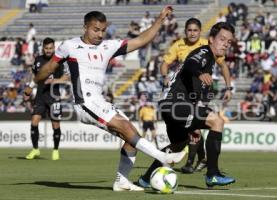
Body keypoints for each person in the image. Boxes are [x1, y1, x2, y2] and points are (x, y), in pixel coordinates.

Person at [33, 8, 186, 192]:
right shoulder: (70, 46)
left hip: (100, 102)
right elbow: (48, 68)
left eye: (103, 30)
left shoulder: (108, 46)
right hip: (85, 103)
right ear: (85, 27)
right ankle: (163, 157)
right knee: (127, 129)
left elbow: (141, 40)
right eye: (95, 29)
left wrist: (160, 20)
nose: (100, 34)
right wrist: (33, 82)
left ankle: (121, 182)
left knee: (131, 137)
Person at [138, 22, 236, 188]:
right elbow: (191, 64)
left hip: (170, 105)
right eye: (222, 39)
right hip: (175, 103)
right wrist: (200, 72)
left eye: (229, 41)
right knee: (217, 122)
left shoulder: (210, 58)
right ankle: (212, 174)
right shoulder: (204, 52)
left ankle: (146, 179)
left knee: (177, 146)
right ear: (211, 39)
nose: (226, 43)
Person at [160, 17, 228, 174]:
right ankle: (204, 162)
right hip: (181, 94)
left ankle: (195, 162)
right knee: (184, 138)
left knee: (203, 125)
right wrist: (164, 76)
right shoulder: (180, 45)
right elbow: (169, 64)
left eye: (195, 30)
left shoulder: (209, 45)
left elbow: (223, 65)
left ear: (200, 32)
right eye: (189, 30)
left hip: (199, 92)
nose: (192, 33)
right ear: (185, 32)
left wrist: (229, 86)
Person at [24, 37, 70, 161]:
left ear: (54, 48)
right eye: (46, 48)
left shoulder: (59, 61)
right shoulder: (38, 60)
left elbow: (66, 78)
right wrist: (29, 88)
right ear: (43, 48)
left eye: (50, 48)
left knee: (55, 125)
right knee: (34, 122)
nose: (48, 50)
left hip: (54, 97)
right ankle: (35, 149)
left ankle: (55, 150)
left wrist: (55, 80)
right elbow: (34, 75)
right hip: (40, 96)